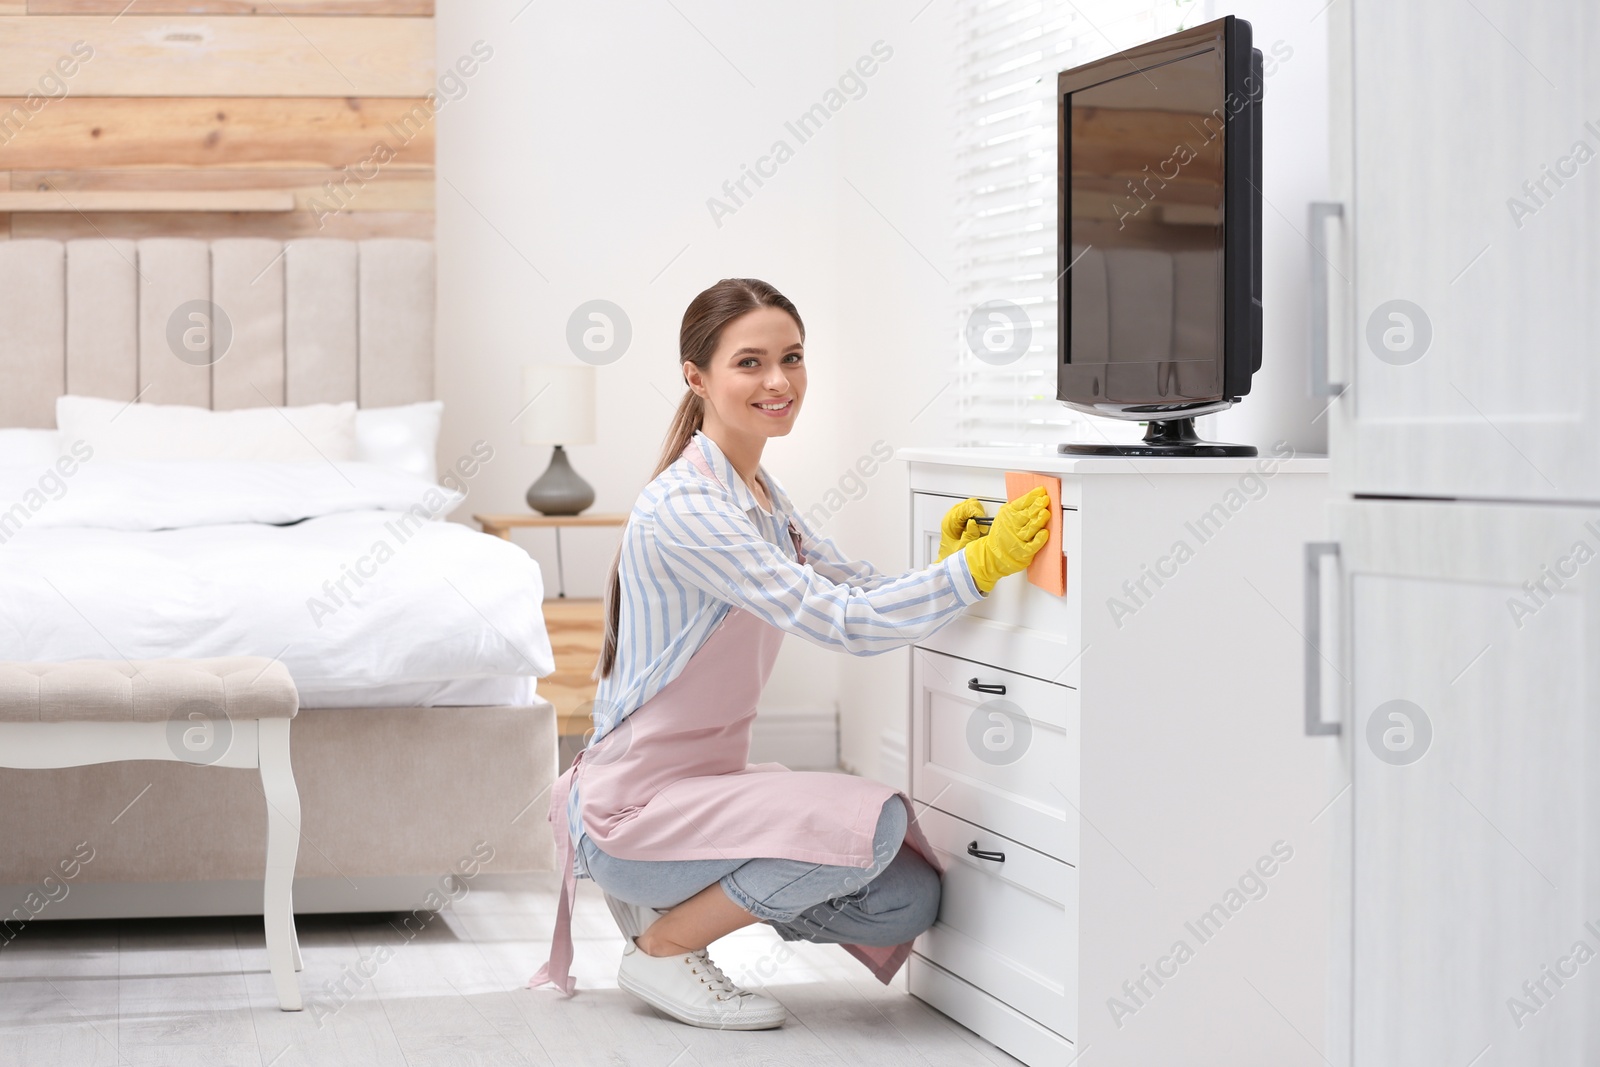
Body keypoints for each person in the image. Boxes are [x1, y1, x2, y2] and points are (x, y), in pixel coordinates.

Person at [529, 277, 1051, 1030]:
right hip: (636, 811)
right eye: (750, 362)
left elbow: (856, 584)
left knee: (907, 895)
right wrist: (974, 571)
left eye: (792, 357)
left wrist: (948, 565)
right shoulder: (689, 509)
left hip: (702, 794)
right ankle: (665, 941)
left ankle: (687, 900)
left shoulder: (759, 492)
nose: (778, 381)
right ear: (696, 377)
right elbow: (843, 620)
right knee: (867, 825)